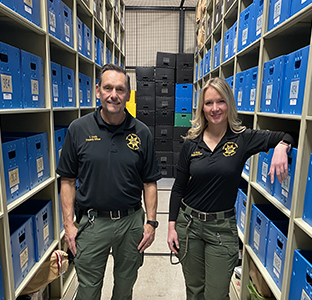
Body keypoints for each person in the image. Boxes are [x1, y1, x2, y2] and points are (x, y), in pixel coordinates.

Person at [167, 77, 295, 300]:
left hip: (221, 229)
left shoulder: (243, 139)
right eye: (208, 103)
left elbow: (285, 135)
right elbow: (178, 187)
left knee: (216, 294)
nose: (214, 108)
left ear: (229, 103)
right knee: (194, 291)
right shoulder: (191, 143)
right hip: (189, 226)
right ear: (202, 107)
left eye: (220, 101)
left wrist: (282, 147)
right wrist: (171, 227)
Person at [57, 64, 162, 300]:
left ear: (127, 94)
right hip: (93, 223)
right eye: (108, 88)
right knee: (88, 290)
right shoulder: (78, 129)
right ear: (98, 90)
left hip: (131, 222)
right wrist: (69, 226)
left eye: (120, 89)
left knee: (125, 288)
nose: (114, 94)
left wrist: (151, 223)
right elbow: (67, 180)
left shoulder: (142, 132)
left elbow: (150, 182)